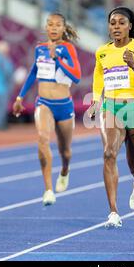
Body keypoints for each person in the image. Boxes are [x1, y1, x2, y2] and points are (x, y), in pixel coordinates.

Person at [86, 6, 134, 228]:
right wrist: (96, 101)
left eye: (121, 22)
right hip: (111, 108)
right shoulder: (102, 52)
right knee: (109, 153)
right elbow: (99, 75)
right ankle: (113, 212)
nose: (116, 26)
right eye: (112, 22)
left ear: (130, 26)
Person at [13, 13, 82, 205]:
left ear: (63, 28)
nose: (53, 28)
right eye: (50, 24)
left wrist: (57, 58)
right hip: (44, 103)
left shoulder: (68, 49)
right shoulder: (39, 48)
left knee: (65, 151)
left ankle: (65, 170)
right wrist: (20, 97)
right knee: (43, 138)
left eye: (57, 25)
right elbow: (33, 72)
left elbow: (76, 76)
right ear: (46, 28)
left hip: (64, 105)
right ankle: (48, 190)